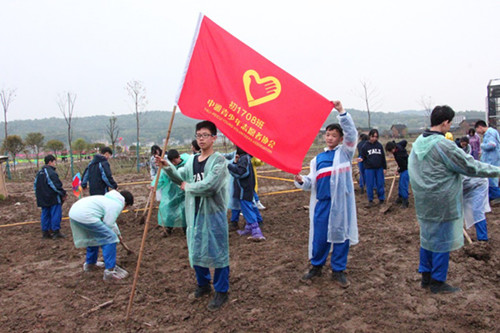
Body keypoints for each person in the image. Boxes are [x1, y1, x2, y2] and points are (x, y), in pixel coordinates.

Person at [408, 105, 500, 294]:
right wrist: (496, 171)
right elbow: (469, 166)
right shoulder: (443, 145)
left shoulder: (418, 142)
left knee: (427, 237)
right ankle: (437, 281)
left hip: (424, 201)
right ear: (445, 123)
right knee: (441, 240)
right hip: (442, 200)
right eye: (450, 123)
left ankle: (425, 276)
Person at [157, 120, 230, 311]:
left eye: (205, 135)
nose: (201, 139)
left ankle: (222, 290)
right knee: (196, 248)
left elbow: (211, 185)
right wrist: (166, 166)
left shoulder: (219, 161)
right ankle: (203, 284)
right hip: (195, 212)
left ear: (214, 138)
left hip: (213, 213)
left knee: (218, 250)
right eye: (199, 135)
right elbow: (179, 177)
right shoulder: (192, 162)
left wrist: (189, 187)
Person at [294, 101, 358, 288]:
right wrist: (301, 181)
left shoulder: (345, 154)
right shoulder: (317, 159)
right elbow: (310, 182)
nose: (330, 138)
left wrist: (341, 112)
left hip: (340, 204)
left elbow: (352, 134)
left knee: (341, 236)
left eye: (334, 135)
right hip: (322, 204)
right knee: (320, 236)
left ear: (340, 139)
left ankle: (338, 269)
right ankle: (316, 266)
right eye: (328, 135)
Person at [68, 190, 134, 282]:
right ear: (126, 204)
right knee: (111, 238)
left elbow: (111, 221)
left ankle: (90, 264)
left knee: (94, 237)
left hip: (75, 212)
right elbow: (108, 223)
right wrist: (116, 236)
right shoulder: (117, 204)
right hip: (86, 216)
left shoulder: (108, 199)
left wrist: (118, 234)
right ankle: (110, 272)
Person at [227, 147, 266, 241]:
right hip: (245, 189)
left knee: (248, 209)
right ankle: (249, 228)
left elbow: (241, 173)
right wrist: (235, 162)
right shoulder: (245, 157)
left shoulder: (244, 158)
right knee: (246, 208)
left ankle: (256, 231)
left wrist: (228, 165)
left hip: (244, 190)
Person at [459, 142, 490, 242]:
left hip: (478, 183)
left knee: (477, 210)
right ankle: (456, 237)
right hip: (465, 185)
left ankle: (483, 239)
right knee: (454, 211)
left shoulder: (456, 163)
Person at [154, 149, 189, 234]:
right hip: (172, 191)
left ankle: (186, 229)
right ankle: (169, 227)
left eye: (175, 160)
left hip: (185, 191)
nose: (174, 163)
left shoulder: (188, 164)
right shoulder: (168, 166)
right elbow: (162, 176)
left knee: (185, 210)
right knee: (170, 207)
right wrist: (154, 185)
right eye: (172, 161)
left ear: (179, 157)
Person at [34, 154, 67, 239]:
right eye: (54, 162)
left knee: (45, 214)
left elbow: (35, 186)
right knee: (56, 213)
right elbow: (55, 185)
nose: (54, 164)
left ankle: (45, 232)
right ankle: (56, 231)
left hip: (42, 198)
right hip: (52, 197)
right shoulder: (51, 172)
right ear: (50, 162)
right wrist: (62, 193)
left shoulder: (39, 173)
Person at [359, 129, 387, 206]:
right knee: (370, 184)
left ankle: (381, 199)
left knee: (380, 183)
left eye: (376, 137)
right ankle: (370, 200)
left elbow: (383, 157)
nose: (374, 138)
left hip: (379, 168)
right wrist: (361, 160)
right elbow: (363, 156)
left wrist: (384, 167)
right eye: (373, 136)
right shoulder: (365, 146)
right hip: (369, 169)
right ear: (369, 136)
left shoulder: (379, 145)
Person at [474, 120, 500, 202]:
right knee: (491, 178)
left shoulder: (490, 133)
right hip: (491, 159)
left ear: (480, 127)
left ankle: (496, 196)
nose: (478, 133)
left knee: (492, 178)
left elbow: (492, 145)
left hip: (491, 160)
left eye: (477, 130)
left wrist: (482, 145)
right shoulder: (491, 132)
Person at [385, 140, 409, 208]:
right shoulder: (397, 146)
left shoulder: (399, 155)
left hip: (406, 169)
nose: (390, 152)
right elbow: (404, 141)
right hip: (403, 167)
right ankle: (400, 197)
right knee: (400, 184)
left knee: (403, 184)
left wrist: (398, 171)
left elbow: (404, 166)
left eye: (390, 151)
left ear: (393, 149)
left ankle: (405, 201)